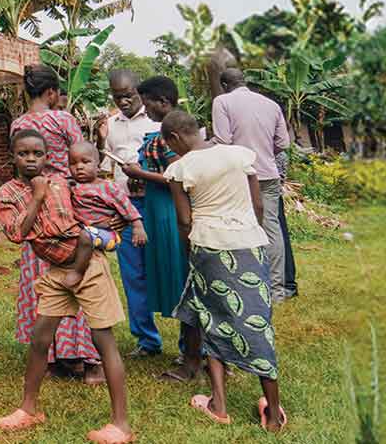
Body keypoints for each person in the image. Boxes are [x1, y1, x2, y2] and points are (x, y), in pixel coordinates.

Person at [0, 130, 139, 443]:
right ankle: (29, 409)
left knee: (103, 340)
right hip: (56, 272)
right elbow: (18, 233)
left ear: (47, 157)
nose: (31, 159)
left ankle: (121, 425)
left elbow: (96, 200)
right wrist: (37, 196)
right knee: (40, 339)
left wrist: (112, 222)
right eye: (23, 154)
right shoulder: (8, 193)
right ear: (13, 156)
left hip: (88, 267)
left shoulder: (64, 181)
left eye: (37, 154)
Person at [159, 110, 286, 432]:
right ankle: (272, 414)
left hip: (209, 247)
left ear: (173, 138)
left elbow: (185, 221)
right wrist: (248, 233)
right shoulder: (239, 155)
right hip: (249, 244)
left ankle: (219, 405)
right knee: (258, 321)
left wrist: (192, 255)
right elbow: (258, 206)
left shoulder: (179, 168)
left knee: (212, 318)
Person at [9, 64, 105, 383]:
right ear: (52, 93)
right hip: (66, 205)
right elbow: (81, 158)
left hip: (34, 207)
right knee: (78, 276)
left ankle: (50, 359)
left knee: (41, 281)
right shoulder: (63, 119)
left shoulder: (18, 124)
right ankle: (85, 357)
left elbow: (19, 170)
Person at [123, 75, 198, 378]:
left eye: (148, 102)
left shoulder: (172, 136)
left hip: (170, 212)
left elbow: (176, 177)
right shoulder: (162, 134)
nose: (146, 108)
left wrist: (139, 172)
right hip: (157, 210)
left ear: (163, 102)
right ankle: (186, 347)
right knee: (174, 278)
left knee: (182, 278)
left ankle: (192, 349)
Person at [211, 68, 296, 304]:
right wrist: (264, 154)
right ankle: (277, 291)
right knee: (271, 229)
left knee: (239, 228)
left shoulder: (222, 101)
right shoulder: (270, 104)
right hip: (268, 174)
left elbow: (223, 140)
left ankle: (247, 286)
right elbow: (283, 143)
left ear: (225, 85)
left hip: (240, 175)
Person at [100, 68, 161, 356]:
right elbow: (106, 168)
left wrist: (145, 174)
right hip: (125, 209)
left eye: (128, 95)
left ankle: (191, 343)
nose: (123, 101)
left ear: (140, 91)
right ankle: (147, 340)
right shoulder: (110, 126)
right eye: (117, 96)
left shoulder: (158, 119)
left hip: (156, 203)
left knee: (165, 268)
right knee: (133, 274)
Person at [68, 139, 146, 262]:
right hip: (84, 232)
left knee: (84, 238)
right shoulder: (71, 186)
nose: (79, 167)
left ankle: (78, 271)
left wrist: (137, 226)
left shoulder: (107, 187)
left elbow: (126, 205)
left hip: (108, 235)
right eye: (73, 163)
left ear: (98, 166)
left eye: (85, 162)